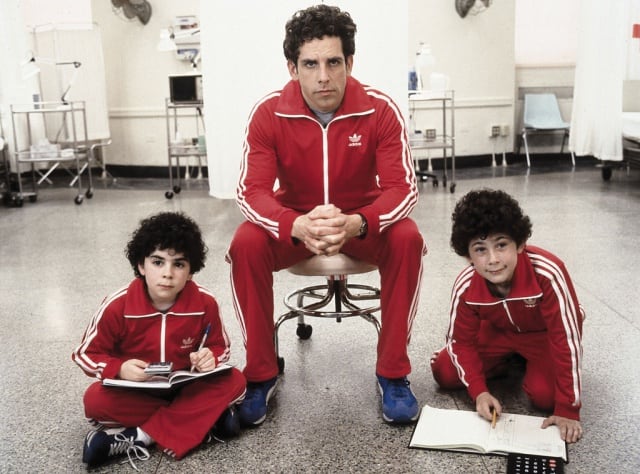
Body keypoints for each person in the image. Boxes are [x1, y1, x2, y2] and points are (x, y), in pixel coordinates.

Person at [227, 4, 426, 426]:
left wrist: (359, 222)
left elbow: (402, 188)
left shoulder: (380, 109)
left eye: (334, 62)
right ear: (292, 67)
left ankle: (393, 373)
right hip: (296, 222)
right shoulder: (268, 113)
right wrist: (294, 225)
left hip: (360, 221)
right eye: (310, 64)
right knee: (245, 241)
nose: (323, 76)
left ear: (349, 62)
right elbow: (251, 192)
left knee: (407, 237)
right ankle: (261, 374)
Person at [72, 212, 246, 469]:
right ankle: (206, 422)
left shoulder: (204, 302)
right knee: (95, 400)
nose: (167, 274)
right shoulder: (117, 305)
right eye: (157, 262)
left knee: (236, 381)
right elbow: (84, 354)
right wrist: (119, 368)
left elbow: (220, 346)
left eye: (178, 264)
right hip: (137, 392)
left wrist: (210, 356)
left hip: (185, 385)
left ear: (190, 271)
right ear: (141, 265)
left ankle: (140, 437)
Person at [430, 189, 584, 443]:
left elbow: (566, 340)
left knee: (546, 397)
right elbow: (460, 342)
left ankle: (522, 363)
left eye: (501, 245)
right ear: (468, 257)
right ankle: (507, 362)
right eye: (480, 249)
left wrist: (568, 408)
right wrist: (479, 391)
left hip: (544, 336)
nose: (493, 259)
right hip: (498, 333)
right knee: (445, 371)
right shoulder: (466, 285)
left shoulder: (547, 272)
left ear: (520, 243)